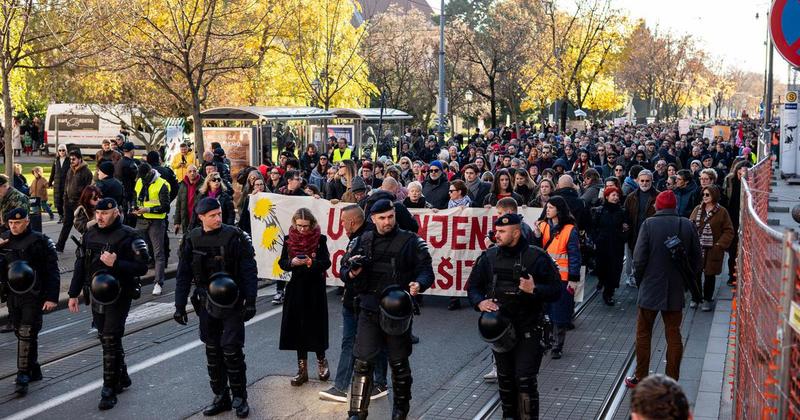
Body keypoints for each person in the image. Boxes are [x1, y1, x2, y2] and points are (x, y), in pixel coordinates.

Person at [340, 199, 434, 420]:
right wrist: (353, 272)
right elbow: (344, 270)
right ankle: (356, 413)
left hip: (397, 312)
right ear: (372, 219)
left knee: (399, 366)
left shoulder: (410, 241)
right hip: (369, 310)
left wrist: (418, 284)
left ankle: (400, 412)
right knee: (363, 363)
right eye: (382, 218)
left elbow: (426, 270)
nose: (387, 221)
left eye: (390, 216)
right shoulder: (362, 240)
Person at [467, 213, 561, 419]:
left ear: (516, 232)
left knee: (525, 380)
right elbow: (472, 287)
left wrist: (535, 289)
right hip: (501, 332)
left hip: (529, 329)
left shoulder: (537, 257)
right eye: (497, 231)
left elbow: (556, 290)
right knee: (506, 380)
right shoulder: (489, 257)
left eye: (502, 231)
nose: (496, 235)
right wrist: (479, 302)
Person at [173, 198, 258, 418]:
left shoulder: (234, 236)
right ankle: (221, 396)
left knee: (231, 350)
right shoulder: (192, 239)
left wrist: (251, 300)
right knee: (212, 350)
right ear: (201, 217)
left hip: (232, 301)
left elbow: (249, 270)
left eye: (219, 214)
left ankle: (240, 397)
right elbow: (183, 274)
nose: (218, 218)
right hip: (205, 301)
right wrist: (179, 305)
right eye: (212, 215)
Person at [67, 198, 149, 410]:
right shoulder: (90, 234)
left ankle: (109, 389)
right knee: (105, 337)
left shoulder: (130, 235)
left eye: (105, 213)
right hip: (96, 294)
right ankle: (122, 376)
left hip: (120, 294)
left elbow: (142, 267)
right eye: (97, 213)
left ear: (116, 212)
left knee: (111, 337)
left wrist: (117, 263)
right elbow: (80, 264)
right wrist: (73, 293)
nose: (100, 217)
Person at [625, 190, 701, 388]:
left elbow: (639, 258)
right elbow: (696, 259)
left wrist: (640, 281)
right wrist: (686, 283)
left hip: (650, 286)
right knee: (674, 334)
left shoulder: (649, 224)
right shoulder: (687, 225)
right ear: (675, 206)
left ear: (657, 206)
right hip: (675, 288)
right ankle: (672, 379)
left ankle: (640, 376)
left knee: (643, 334)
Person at [319, 205, 389, 402]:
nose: (341, 224)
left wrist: (349, 274)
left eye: (343, 221)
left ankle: (343, 387)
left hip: (363, 300)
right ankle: (379, 382)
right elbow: (345, 267)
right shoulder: (360, 238)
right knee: (368, 341)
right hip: (356, 299)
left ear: (352, 222)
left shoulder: (366, 239)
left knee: (354, 342)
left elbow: (350, 267)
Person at [0, 208, 59, 395]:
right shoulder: (4, 240)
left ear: (27, 221)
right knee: (20, 331)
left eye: (17, 223)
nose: (13, 226)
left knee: (27, 331)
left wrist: (51, 297)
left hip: (34, 294)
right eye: (10, 223)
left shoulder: (39, 241)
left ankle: (22, 376)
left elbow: (52, 270)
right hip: (12, 294)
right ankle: (34, 368)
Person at [277, 209, 332, 386]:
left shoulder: (320, 239)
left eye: (305, 226)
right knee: (298, 327)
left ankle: (321, 361)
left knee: (316, 325)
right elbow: (282, 263)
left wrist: (311, 263)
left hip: (315, 287)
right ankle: (302, 369)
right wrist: (291, 263)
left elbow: (326, 263)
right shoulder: (288, 239)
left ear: (312, 224)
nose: (301, 229)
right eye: (299, 226)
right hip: (296, 287)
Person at [532, 196, 581, 359]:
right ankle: (548, 340)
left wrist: (573, 279)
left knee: (559, 312)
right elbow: (535, 249)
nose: (547, 210)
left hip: (562, 277)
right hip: (545, 276)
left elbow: (574, 256)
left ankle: (557, 345)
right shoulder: (542, 226)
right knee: (545, 310)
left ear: (559, 210)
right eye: (547, 207)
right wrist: (537, 235)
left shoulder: (569, 230)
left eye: (551, 207)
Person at [689, 185, 734, 311]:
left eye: (707, 194)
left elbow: (729, 231)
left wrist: (719, 245)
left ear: (714, 195)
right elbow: (689, 225)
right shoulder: (697, 209)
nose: (704, 197)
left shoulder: (722, 211)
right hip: (697, 248)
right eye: (703, 194)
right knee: (695, 274)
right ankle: (696, 297)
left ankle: (707, 299)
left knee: (710, 275)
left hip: (712, 249)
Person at [133, 163, 170, 296]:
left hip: (156, 221)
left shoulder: (162, 184)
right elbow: (135, 197)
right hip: (141, 219)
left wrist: (148, 209)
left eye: (145, 177)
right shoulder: (140, 181)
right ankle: (135, 281)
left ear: (150, 172)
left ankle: (158, 283)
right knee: (138, 250)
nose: (143, 179)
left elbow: (166, 207)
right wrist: (134, 208)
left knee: (158, 253)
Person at [591, 186, 628, 305]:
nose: (616, 197)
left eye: (617, 195)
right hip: (602, 244)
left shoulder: (622, 211)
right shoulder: (599, 210)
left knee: (614, 269)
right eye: (613, 195)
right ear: (607, 197)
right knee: (601, 267)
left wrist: (623, 234)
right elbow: (593, 227)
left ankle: (609, 292)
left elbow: (627, 227)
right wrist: (596, 239)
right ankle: (602, 281)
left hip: (616, 244)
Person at [622, 169, 657, 287]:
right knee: (633, 256)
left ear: (652, 181)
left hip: (651, 234)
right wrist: (625, 224)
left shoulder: (658, 196)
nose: (644, 183)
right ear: (637, 181)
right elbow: (625, 213)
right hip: (634, 232)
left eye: (647, 181)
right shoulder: (631, 197)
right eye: (642, 180)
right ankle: (632, 277)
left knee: (649, 257)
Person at [55, 149, 93, 251]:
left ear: (80, 159)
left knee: (81, 226)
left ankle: (90, 245)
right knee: (66, 224)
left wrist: (82, 204)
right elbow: (66, 187)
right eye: (70, 159)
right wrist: (64, 201)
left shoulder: (86, 172)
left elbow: (88, 190)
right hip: (68, 202)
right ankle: (59, 246)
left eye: (74, 159)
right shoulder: (69, 170)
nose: (71, 161)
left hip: (79, 204)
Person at [722, 161, 750, 286]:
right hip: (732, 218)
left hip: (746, 220)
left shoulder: (751, 183)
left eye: (744, 172)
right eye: (740, 171)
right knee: (733, 250)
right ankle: (731, 275)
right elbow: (725, 197)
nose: (742, 174)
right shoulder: (729, 180)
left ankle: (744, 275)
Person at [114, 142, 139, 226]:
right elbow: (136, 179)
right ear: (131, 151)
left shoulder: (118, 163)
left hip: (120, 194)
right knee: (129, 220)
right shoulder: (131, 164)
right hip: (129, 195)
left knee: (122, 217)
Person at [174, 165, 203, 236]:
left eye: (194, 171)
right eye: (190, 171)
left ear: (197, 172)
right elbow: (178, 204)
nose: (192, 173)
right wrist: (177, 222)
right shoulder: (183, 185)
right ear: (186, 173)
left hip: (199, 220)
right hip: (186, 219)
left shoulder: (203, 184)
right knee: (187, 241)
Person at [50, 144, 70, 223]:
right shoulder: (56, 160)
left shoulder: (69, 160)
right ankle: (61, 216)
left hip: (66, 183)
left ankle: (66, 216)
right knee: (58, 201)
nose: (62, 152)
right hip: (57, 183)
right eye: (60, 150)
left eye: (63, 150)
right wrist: (50, 182)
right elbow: (53, 172)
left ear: (66, 151)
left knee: (65, 200)